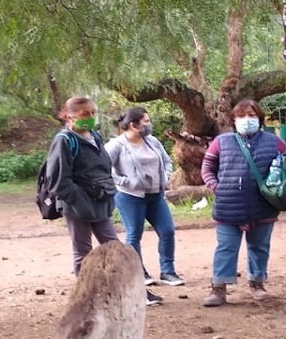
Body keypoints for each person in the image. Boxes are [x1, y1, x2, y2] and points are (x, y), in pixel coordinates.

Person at [47, 97, 165, 305]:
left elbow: (104, 168)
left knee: (115, 250)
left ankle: (135, 293)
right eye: (85, 114)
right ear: (68, 116)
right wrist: (80, 202)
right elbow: (58, 181)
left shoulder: (94, 136)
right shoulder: (64, 141)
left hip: (100, 201)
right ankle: (87, 297)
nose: (91, 117)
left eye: (93, 112)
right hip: (77, 205)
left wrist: (106, 193)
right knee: (82, 252)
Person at [200, 99, 286, 306]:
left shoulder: (275, 142)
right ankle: (218, 288)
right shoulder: (221, 142)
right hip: (228, 206)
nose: (247, 120)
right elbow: (207, 168)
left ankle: (257, 283)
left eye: (252, 116)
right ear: (234, 120)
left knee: (259, 247)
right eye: (242, 116)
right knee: (226, 247)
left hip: (263, 206)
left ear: (260, 119)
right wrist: (216, 187)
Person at [106, 107, 184, 289]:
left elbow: (166, 161)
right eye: (146, 121)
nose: (149, 125)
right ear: (134, 125)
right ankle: (138, 272)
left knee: (167, 231)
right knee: (134, 234)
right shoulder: (116, 145)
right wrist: (126, 182)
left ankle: (168, 271)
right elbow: (103, 169)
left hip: (155, 195)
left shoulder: (152, 141)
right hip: (130, 196)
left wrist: (165, 177)